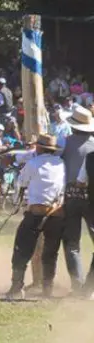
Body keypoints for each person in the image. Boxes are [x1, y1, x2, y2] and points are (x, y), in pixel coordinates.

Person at [7, 134, 67, 300]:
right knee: (50, 251)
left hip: (37, 212)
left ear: (39, 148)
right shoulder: (61, 164)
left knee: (21, 249)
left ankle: (17, 286)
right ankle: (48, 288)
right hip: (57, 213)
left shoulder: (32, 163)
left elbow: (22, 182)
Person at [60, 107, 94, 298]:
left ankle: (78, 284)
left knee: (72, 243)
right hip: (91, 198)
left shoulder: (64, 144)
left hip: (70, 196)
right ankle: (89, 286)